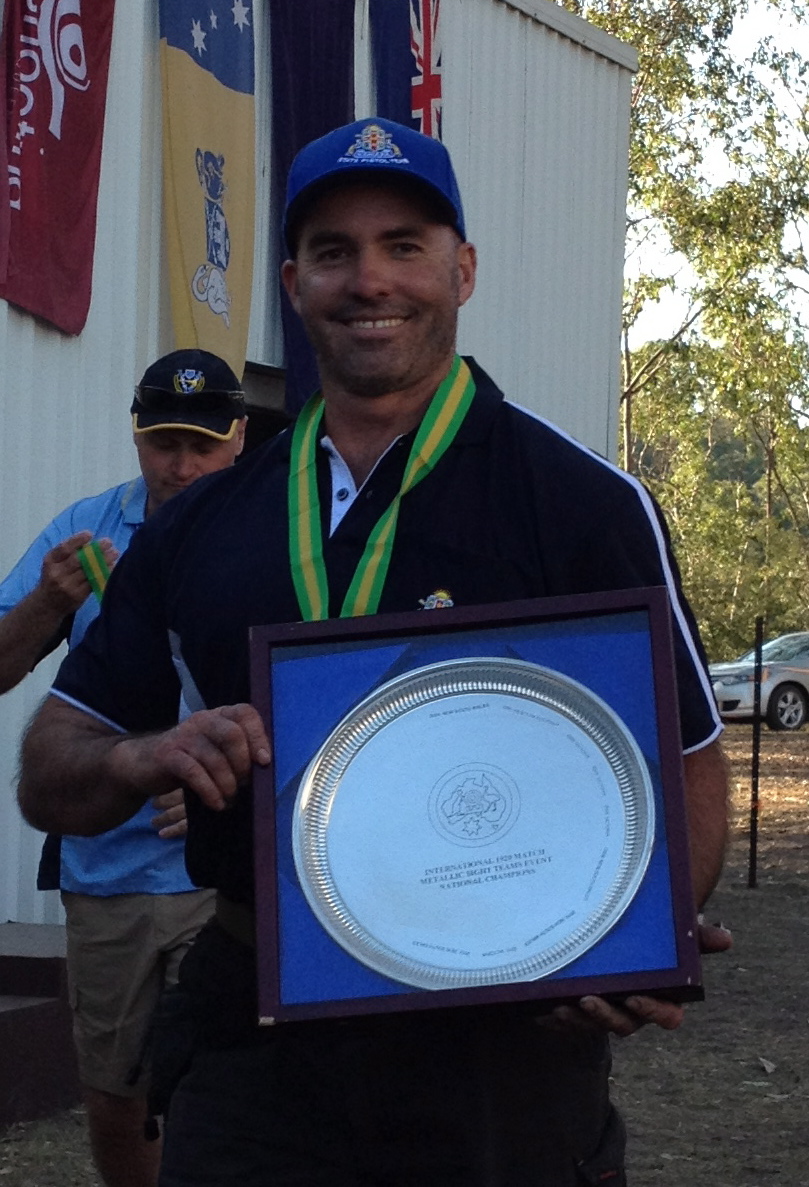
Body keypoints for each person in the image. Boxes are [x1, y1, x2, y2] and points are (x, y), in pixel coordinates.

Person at [16, 120, 728, 1186]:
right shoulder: (203, 523)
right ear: (295, 281)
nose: (370, 280)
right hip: (258, 1036)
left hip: (502, 1043)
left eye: (403, 244)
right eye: (335, 251)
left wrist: (625, 934)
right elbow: (51, 764)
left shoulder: (578, 502)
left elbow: (687, 765)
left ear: (462, 269)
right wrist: (145, 755)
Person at [1, 348, 246, 1187]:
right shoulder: (91, 529)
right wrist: (47, 602)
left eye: (203, 444)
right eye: (163, 443)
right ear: (136, 434)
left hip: (226, 875)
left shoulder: (272, 533)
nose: (181, 466)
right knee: (116, 1091)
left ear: (240, 436)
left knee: (224, 1081)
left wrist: (231, 780)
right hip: (108, 869)